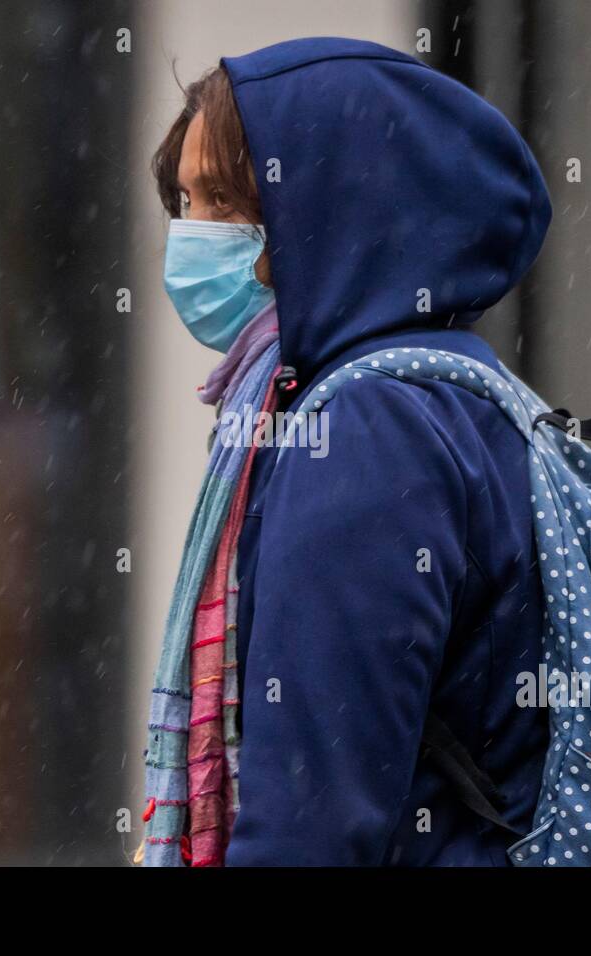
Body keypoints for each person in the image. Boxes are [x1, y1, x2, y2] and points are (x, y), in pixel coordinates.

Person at [142, 36, 553, 866]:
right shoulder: (459, 390)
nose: (190, 238)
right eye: (183, 203)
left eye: (224, 202)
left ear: (339, 207)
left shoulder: (369, 429)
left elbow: (312, 826)